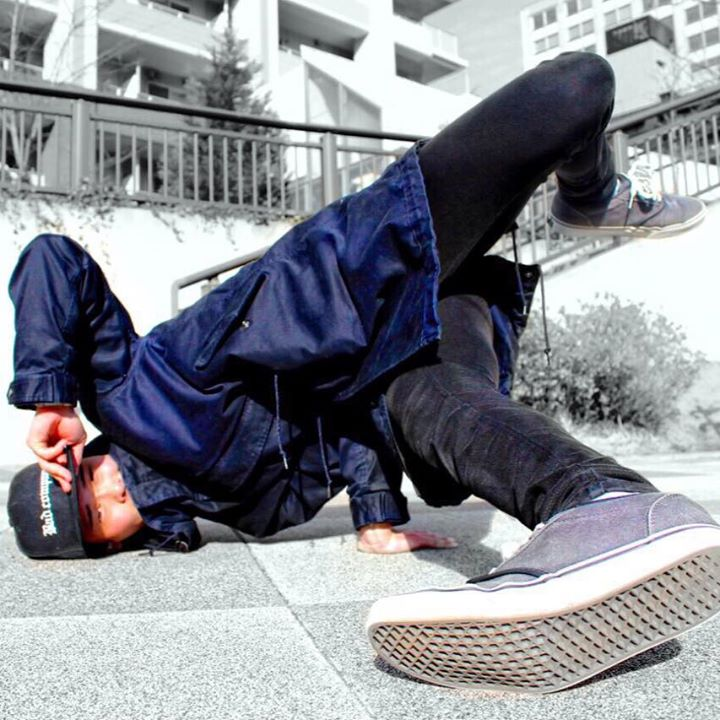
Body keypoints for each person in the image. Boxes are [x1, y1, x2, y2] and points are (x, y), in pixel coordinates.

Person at [6, 53, 720, 692]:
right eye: (97, 514)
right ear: (118, 541)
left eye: (86, 475)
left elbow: (53, 260)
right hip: (406, 358)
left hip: (363, 268)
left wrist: (52, 397)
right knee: (433, 403)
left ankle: (591, 194)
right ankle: (605, 505)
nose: (107, 488)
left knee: (574, 87)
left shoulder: (124, 394)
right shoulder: (250, 514)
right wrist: (377, 516)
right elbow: (347, 438)